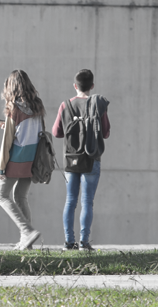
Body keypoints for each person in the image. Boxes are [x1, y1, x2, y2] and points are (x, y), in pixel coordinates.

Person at [52, 69, 111, 251]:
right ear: (92, 86)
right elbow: (106, 132)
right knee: (87, 202)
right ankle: (84, 243)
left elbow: (56, 132)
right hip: (92, 159)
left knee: (70, 200)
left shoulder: (65, 106)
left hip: (71, 160)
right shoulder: (97, 105)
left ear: (75, 86)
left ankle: (69, 242)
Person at [0, 70, 45, 250]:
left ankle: (27, 230)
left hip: (15, 159)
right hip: (31, 159)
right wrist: (6, 124)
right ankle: (27, 241)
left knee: (0, 195)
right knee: (20, 196)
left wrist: (1, 167)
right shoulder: (37, 106)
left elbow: (7, 142)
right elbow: (32, 132)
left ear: (11, 87)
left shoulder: (13, 108)